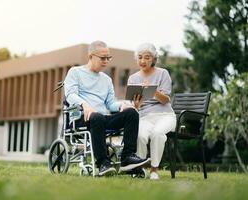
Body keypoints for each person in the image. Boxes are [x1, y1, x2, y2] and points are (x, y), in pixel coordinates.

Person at [64, 41, 149, 176]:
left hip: (102, 118)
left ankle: (127, 158)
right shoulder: (75, 72)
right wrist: (85, 105)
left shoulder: (107, 79)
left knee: (132, 113)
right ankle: (103, 162)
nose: (106, 61)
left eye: (108, 58)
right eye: (103, 58)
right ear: (91, 56)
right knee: (96, 116)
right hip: (81, 117)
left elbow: (110, 104)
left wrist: (122, 105)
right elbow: (70, 95)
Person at [128, 43, 176, 180]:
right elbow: (135, 106)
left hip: (165, 115)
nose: (143, 61)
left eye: (147, 57)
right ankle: (140, 169)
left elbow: (165, 100)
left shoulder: (163, 73)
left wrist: (152, 90)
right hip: (144, 116)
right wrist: (136, 104)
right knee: (140, 136)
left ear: (154, 59)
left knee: (157, 133)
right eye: (140, 57)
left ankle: (154, 169)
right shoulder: (133, 78)